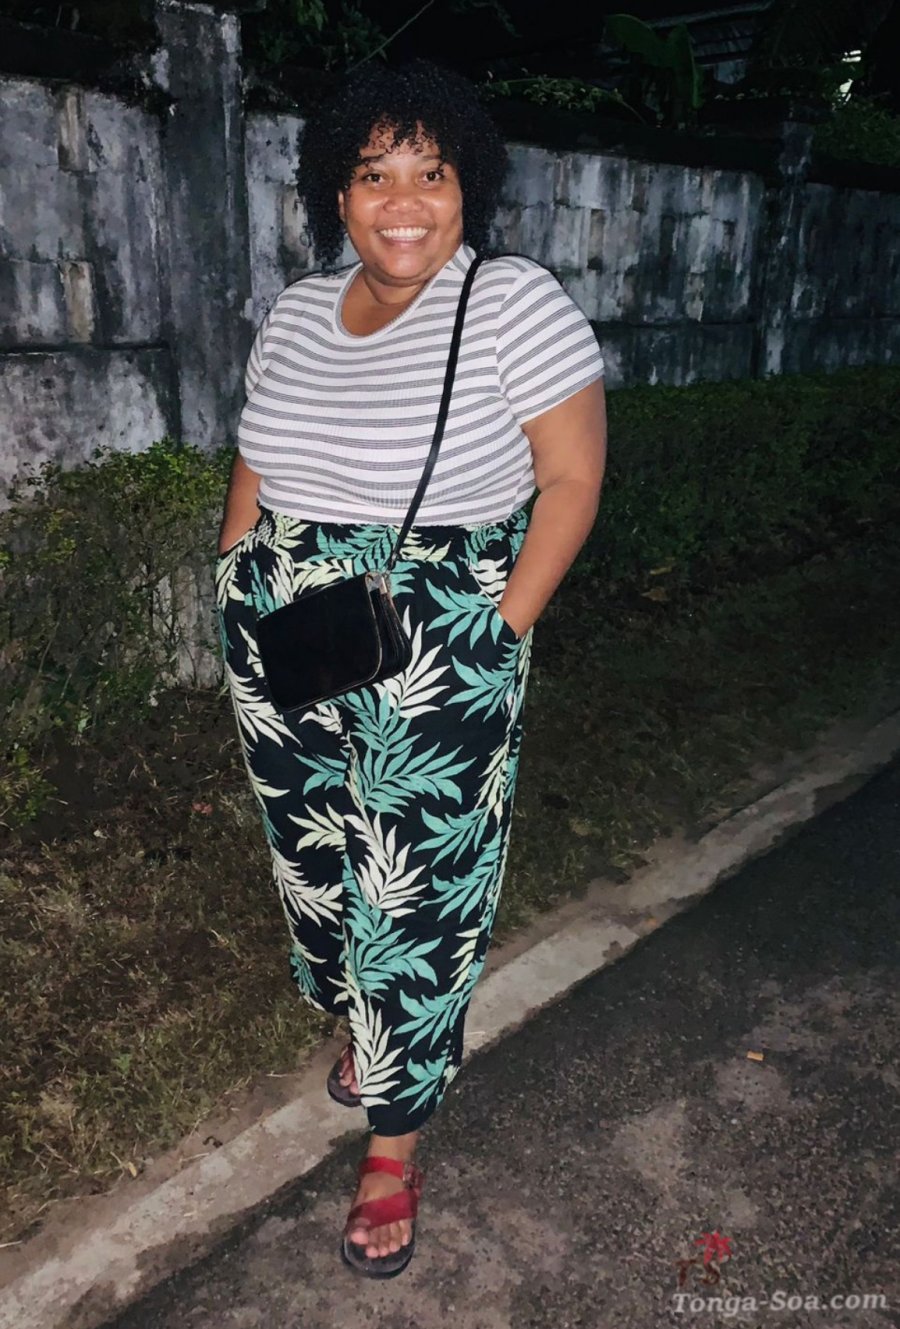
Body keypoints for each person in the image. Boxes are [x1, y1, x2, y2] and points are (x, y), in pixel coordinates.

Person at [215, 58, 607, 1278]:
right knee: (320, 853)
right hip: (285, 620)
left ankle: (394, 1137)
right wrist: (232, 568)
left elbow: (572, 479)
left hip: (433, 633)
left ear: (465, 186)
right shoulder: (296, 311)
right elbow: (257, 458)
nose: (402, 201)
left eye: (429, 174)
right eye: (372, 173)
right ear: (335, 192)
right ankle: (364, 1021)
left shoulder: (511, 302)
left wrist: (500, 629)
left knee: (417, 884)